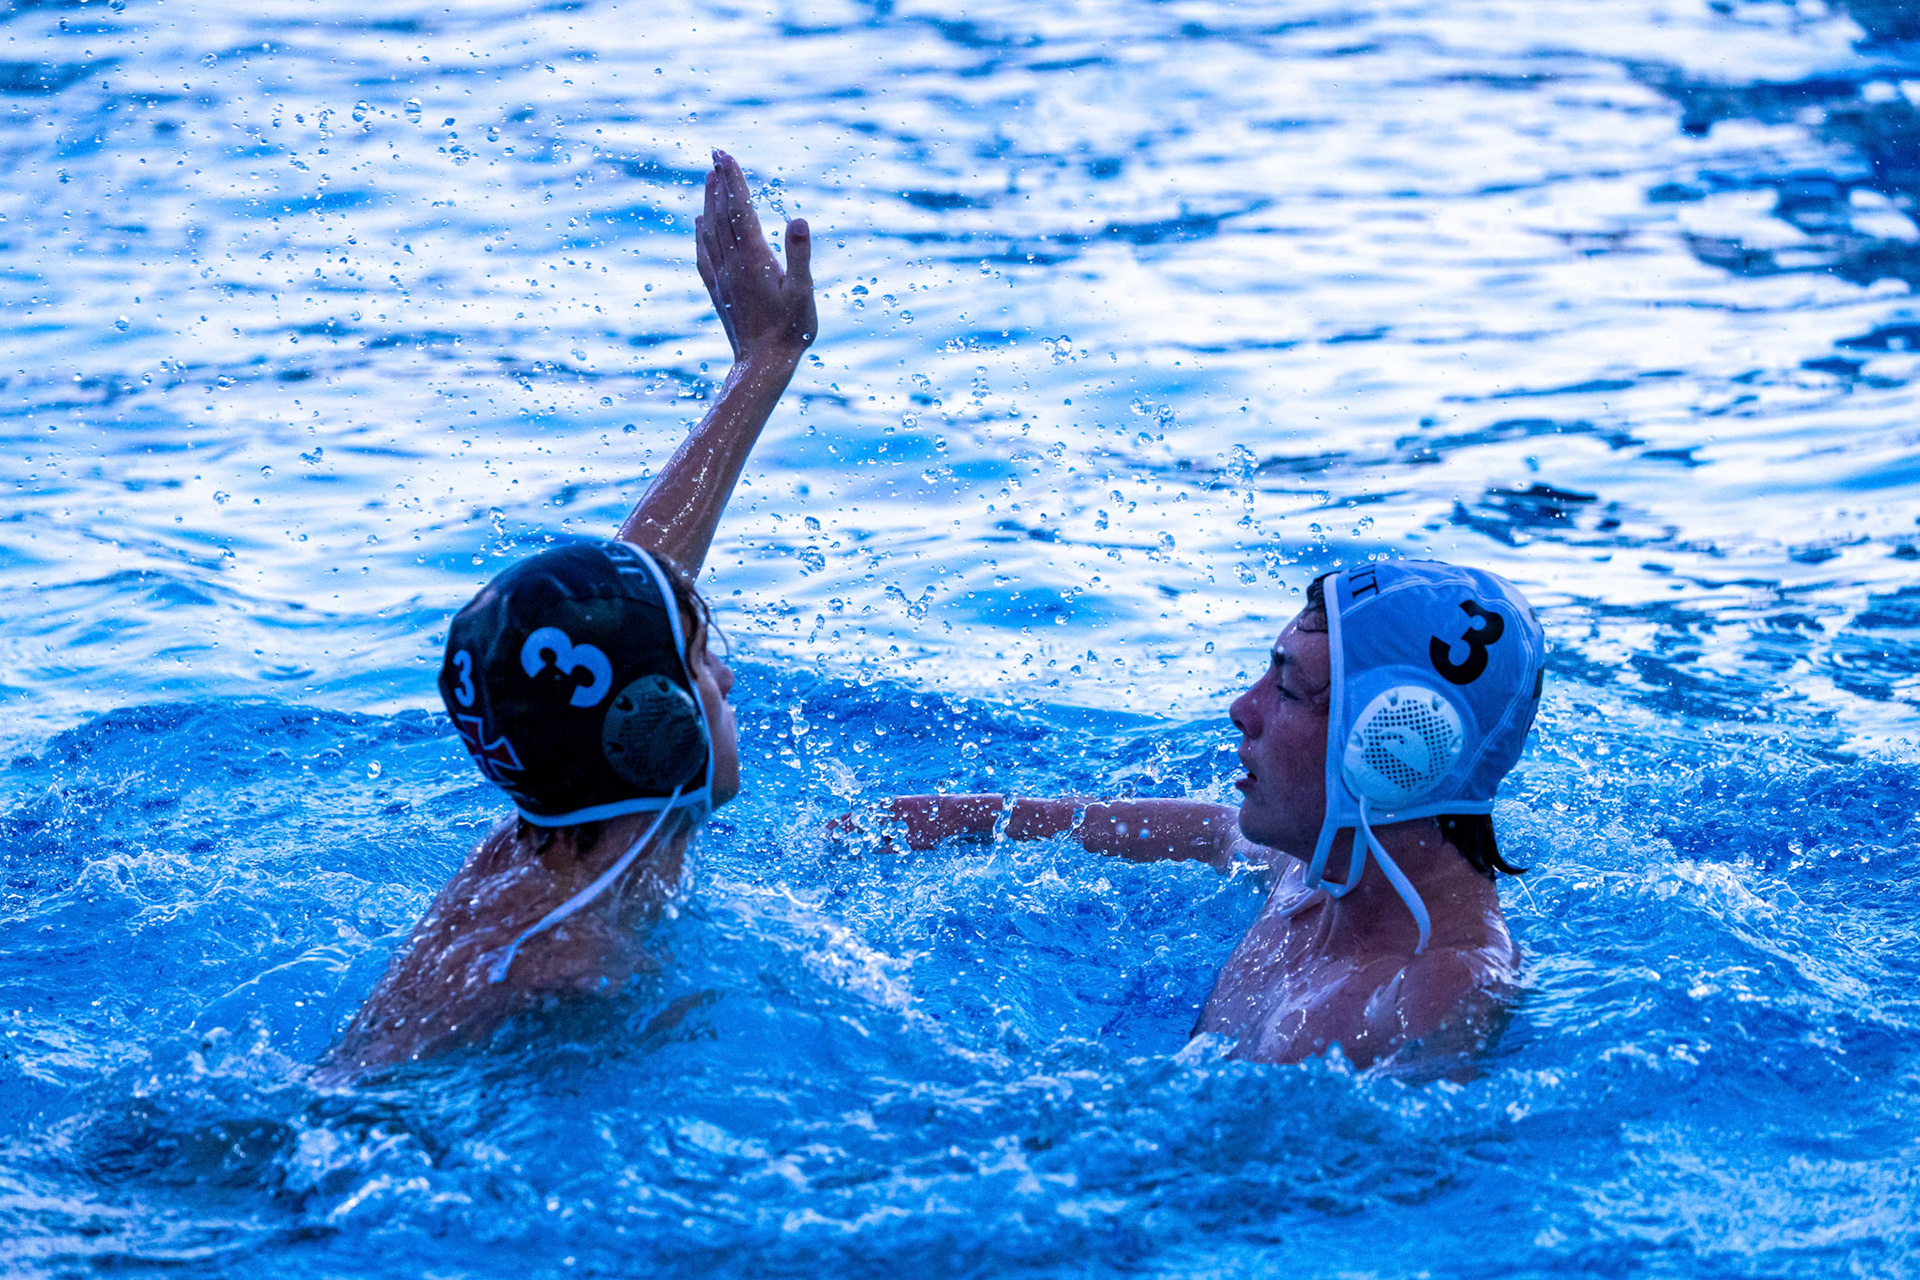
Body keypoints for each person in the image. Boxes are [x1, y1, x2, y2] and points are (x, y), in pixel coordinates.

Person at [317, 150, 816, 1079]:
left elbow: (617, 608)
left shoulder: (559, 818)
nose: (727, 676)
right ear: (653, 727)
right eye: (701, 662)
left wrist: (763, 361)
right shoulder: (566, 973)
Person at [859, 560, 1546, 1069]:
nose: (1242, 708)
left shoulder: (1434, 992)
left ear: (1393, 751)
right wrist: (970, 816)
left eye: (1287, 689)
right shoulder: (1315, 872)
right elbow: (1211, 831)